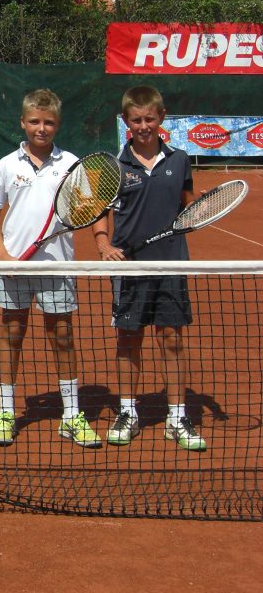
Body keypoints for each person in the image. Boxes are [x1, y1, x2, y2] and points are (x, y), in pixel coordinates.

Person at [0, 89, 101, 448]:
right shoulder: (6, 165)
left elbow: (87, 208)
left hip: (57, 266)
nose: (41, 128)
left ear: (57, 124)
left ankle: (71, 415)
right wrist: (1, 255)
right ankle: (5, 412)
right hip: (14, 266)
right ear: (23, 122)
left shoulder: (72, 164)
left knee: (62, 337)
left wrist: (81, 213)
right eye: (34, 121)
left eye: (48, 122)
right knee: (11, 337)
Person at [93, 85, 205, 452]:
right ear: (126, 121)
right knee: (128, 340)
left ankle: (176, 416)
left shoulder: (180, 159)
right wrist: (103, 243)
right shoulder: (115, 166)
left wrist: (200, 210)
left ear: (161, 117)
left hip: (172, 261)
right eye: (136, 119)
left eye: (149, 118)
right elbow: (101, 215)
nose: (143, 125)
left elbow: (188, 206)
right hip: (129, 265)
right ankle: (128, 412)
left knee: (171, 339)